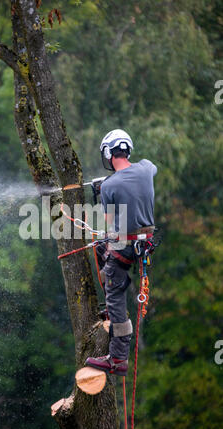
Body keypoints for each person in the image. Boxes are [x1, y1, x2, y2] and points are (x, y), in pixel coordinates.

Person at [86, 129, 157, 376]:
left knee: (115, 292)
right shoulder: (147, 168)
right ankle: (113, 290)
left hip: (125, 244)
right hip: (144, 241)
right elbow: (136, 177)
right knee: (102, 249)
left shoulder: (109, 186)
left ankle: (117, 358)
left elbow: (108, 223)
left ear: (108, 153)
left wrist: (103, 191)